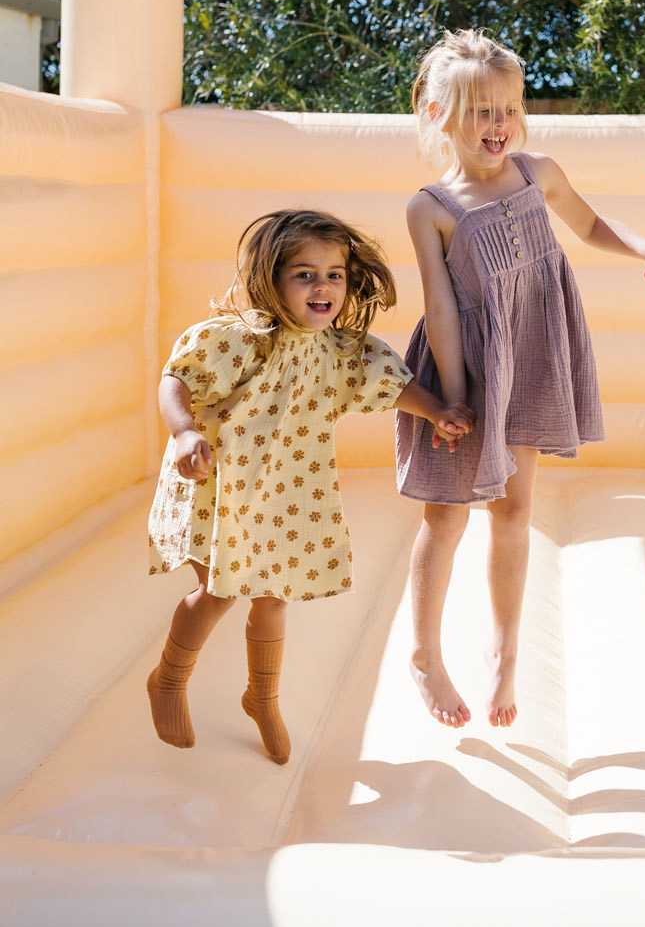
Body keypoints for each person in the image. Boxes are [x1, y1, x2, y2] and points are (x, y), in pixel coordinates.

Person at [395, 28, 645, 730]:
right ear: (438, 115)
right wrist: (453, 394)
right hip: (465, 369)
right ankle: (424, 653)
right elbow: (440, 304)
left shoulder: (540, 172)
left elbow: (590, 226)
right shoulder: (431, 208)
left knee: (514, 510)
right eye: (479, 111)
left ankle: (503, 649)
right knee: (445, 516)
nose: (497, 126)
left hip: (530, 353)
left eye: (507, 109)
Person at [146, 208, 470, 762]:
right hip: (220, 488)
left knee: (274, 598)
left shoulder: (340, 351)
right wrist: (182, 434)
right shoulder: (239, 339)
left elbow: (390, 385)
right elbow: (176, 378)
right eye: (304, 274)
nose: (323, 286)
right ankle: (169, 680)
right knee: (219, 592)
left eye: (334, 275)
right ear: (271, 280)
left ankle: (262, 697)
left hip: (285, 494)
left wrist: (438, 410)